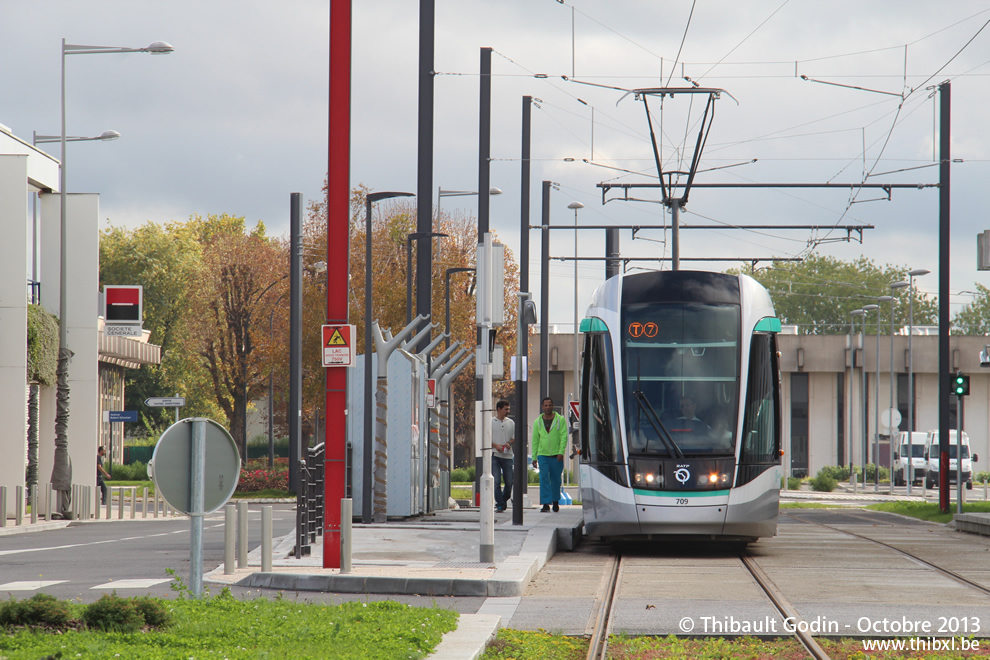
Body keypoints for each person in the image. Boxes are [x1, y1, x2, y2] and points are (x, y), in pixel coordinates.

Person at [531, 396, 568, 512]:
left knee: (556, 479)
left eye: (549, 405)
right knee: (544, 478)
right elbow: (535, 440)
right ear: (542, 407)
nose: (547, 407)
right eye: (545, 405)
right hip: (543, 455)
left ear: (553, 406)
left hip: (556, 455)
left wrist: (561, 452)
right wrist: (534, 457)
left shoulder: (560, 420)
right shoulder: (537, 422)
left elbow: (564, 436)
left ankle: (555, 501)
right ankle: (546, 503)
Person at [491, 400, 515, 513]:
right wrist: (496, 446)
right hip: (494, 455)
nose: (508, 411)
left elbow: (513, 437)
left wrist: (509, 443)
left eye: (508, 409)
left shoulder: (511, 423)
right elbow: (485, 438)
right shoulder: (490, 422)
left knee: (509, 482)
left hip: (508, 456)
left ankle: (503, 500)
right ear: (499, 409)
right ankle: (500, 504)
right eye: (506, 409)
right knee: (496, 481)